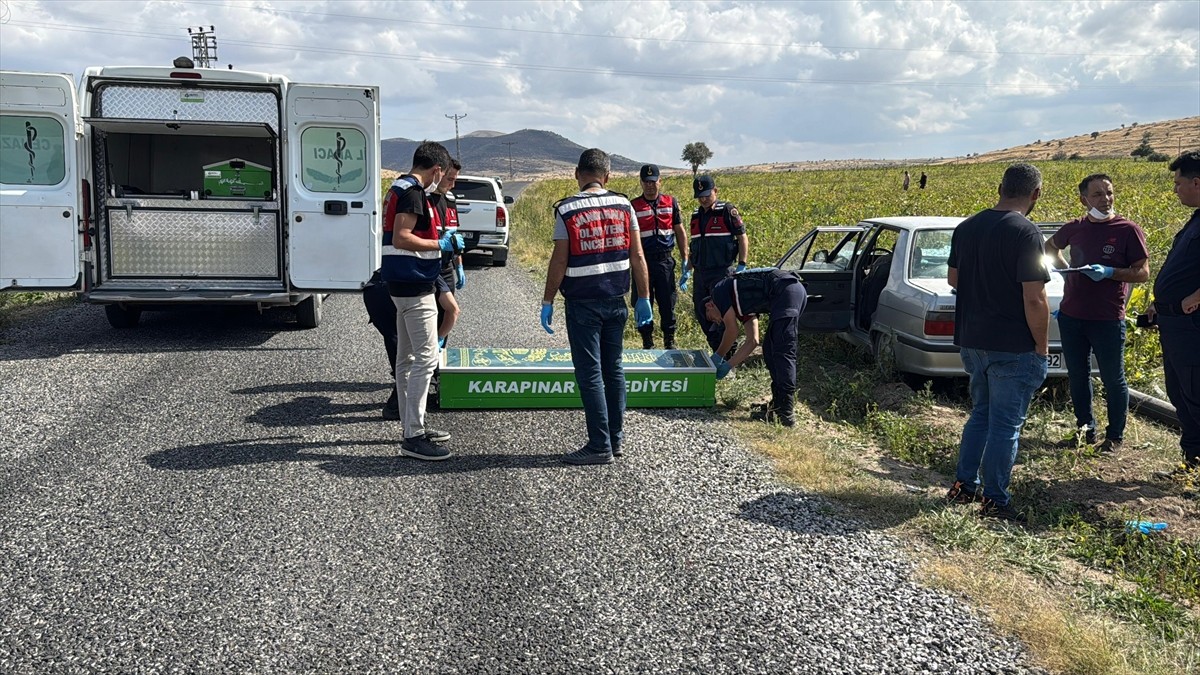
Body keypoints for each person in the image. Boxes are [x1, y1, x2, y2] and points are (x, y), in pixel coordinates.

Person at [944, 163, 1051, 521]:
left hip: (973, 340)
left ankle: (963, 486)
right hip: (1013, 345)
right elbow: (1034, 298)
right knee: (1006, 425)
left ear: (1000, 186)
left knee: (980, 415)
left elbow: (954, 279)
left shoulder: (966, 227)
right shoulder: (1026, 233)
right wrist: (1041, 345)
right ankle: (995, 501)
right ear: (1035, 193)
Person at [540, 148, 652, 465]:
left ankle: (599, 445)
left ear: (578, 175)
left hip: (583, 303)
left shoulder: (567, 210)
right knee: (613, 370)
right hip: (617, 300)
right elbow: (638, 256)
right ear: (607, 176)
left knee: (590, 374)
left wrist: (547, 300)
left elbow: (559, 259)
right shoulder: (624, 205)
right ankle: (615, 441)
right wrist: (643, 298)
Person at [1046, 174, 1150, 452]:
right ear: (1084, 200)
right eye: (1097, 195)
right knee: (1077, 375)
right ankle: (1084, 430)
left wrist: (1110, 273)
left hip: (1107, 317)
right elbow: (1049, 247)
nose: (1105, 200)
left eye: (1109, 193)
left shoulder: (1127, 229)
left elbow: (1142, 272)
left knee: (1113, 378)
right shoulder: (1075, 227)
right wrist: (1067, 272)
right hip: (1072, 315)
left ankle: (1114, 437)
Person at [381, 141, 462, 460]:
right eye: (441, 175)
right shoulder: (413, 191)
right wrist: (439, 244)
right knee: (427, 357)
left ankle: (410, 424)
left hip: (401, 281)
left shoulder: (398, 186)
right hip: (414, 283)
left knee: (406, 358)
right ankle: (413, 435)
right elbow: (402, 236)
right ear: (436, 170)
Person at [704, 268, 808, 426]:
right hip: (786, 293)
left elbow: (732, 331)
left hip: (786, 290)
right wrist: (728, 365)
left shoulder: (719, 292)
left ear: (709, 306)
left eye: (711, 318)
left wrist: (718, 356)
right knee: (770, 350)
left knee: (782, 351)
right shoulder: (741, 303)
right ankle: (777, 405)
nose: (716, 322)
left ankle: (785, 413)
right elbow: (752, 341)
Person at [1150, 151, 1200, 474]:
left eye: (1178, 183)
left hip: (1191, 325)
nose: (1175, 190)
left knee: (1196, 393)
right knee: (1182, 395)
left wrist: (1195, 297)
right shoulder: (1195, 221)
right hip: (1173, 324)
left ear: (1197, 182)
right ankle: (1193, 463)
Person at [684, 175, 749, 352]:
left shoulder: (727, 211)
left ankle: (729, 356)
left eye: (706, 194)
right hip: (701, 273)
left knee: (722, 315)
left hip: (721, 272)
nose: (703, 199)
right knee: (702, 313)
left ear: (715, 191)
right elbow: (696, 245)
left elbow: (742, 237)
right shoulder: (696, 216)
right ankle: (716, 351)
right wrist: (687, 270)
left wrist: (742, 263)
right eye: (699, 196)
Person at [630, 163, 687, 349]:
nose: (649, 185)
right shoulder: (634, 206)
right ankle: (647, 341)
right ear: (641, 183)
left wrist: (686, 258)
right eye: (646, 182)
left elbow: (679, 230)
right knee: (642, 301)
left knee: (667, 302)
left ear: (659, 182)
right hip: (642, 261)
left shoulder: (671, 202)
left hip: (664, 260)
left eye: (653, 181)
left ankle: (669, 341)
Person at [426, 159, 464, 408]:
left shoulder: (450, 200)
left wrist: (460, 265)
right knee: (437, 315)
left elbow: (455, 235)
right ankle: (428, 362)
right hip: (431, 266)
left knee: (445, 319)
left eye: (455, 180)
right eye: (449, 178)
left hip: (448, 266)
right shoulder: (426, 199)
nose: (452, 184)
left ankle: (438, 366)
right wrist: (442, 240)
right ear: (439, 174)